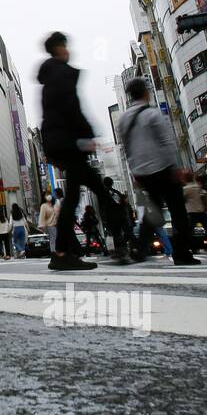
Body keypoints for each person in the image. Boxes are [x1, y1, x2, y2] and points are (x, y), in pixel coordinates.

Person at [38, 32, 130, 271]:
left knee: (75, 197)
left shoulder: (50, 76)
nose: (68, 50)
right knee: (97, 192)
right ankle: (118, 245)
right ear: (59, 48)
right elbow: (71, 107)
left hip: (61, 142)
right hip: (70, 142)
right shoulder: (60, 72)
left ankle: (63, 252)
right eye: (65, 46)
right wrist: (87, 135)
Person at [116, 77, 198, 266]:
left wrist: (134, 172)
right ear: (146, 92)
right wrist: (175, 167)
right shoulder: (152, 114)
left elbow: (126, 148)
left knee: (153, 211)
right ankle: (182, 252)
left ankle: (139, 248)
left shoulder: (123, 119)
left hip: (143, 172)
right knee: (177, 210)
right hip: (163, 168)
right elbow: (167, 142)